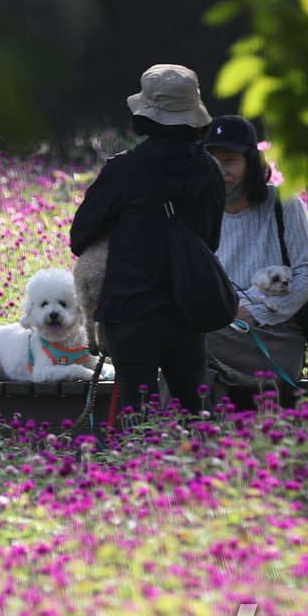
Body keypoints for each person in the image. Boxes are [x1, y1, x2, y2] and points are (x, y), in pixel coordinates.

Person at [70, 64, 225, 415]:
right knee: (200, 414)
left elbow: (80, 237)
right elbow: (210, 241)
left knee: (138, 419)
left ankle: (143, 471)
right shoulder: (211, 170)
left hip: (132, 313)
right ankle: (218, 469)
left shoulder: (124, 171)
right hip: (189, 311)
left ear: (145, 115)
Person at [201, 114, 308, 409]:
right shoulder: (201, 211)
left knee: (186, 340)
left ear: (251, 163)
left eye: (230, 160)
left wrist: (254, 313)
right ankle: (194, 437)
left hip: (274, 336)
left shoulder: (283, 204)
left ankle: (175, 434)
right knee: (184, 341)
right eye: (212, 160)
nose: (221, 170)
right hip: (217, 331)